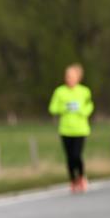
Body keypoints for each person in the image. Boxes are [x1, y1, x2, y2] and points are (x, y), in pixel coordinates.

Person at [47, 63, 95, 193]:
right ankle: (72, 180)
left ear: (78, 77)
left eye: (71, 76)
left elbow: (90, 107)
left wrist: (81, 110)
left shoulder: (84, 91)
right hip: (65, 129)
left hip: (80, 129)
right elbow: (52, 108)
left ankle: (81, 176)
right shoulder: (59, 91)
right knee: (69, 157)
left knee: (76, 155)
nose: (69, 78)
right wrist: (65, 107)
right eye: (67, 76)